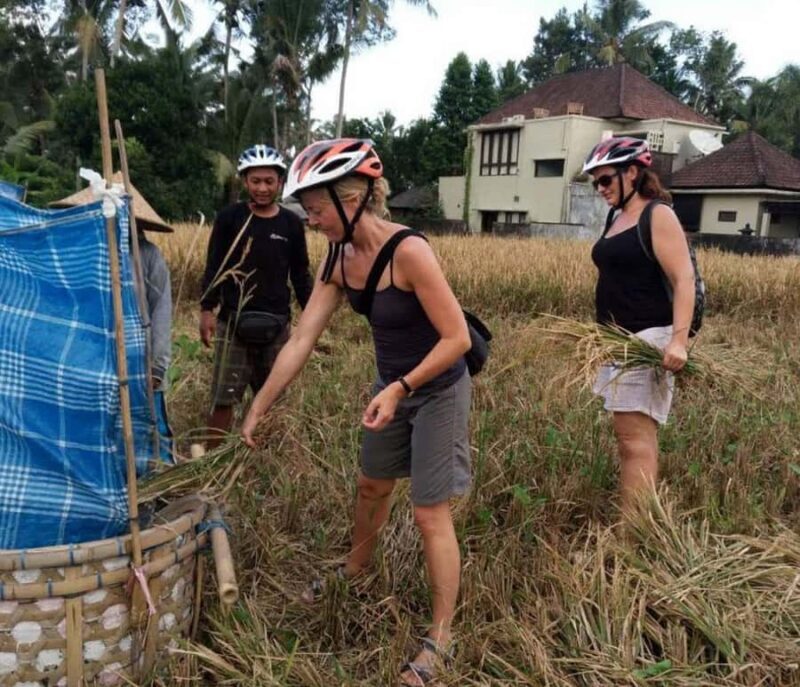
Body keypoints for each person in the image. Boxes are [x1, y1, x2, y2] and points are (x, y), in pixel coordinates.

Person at [241, 139, 472, 686]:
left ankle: (441, 636)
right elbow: (301, 339)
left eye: (317, 210)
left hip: (436, 387)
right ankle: (356, 568)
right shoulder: (339, 257)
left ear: (352, 198)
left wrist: (400, 387)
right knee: (371, 485)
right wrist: (259, 406)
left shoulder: (409, 252)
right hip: (389, 387)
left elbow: (457, 337)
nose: (312, 221)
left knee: (428, 512)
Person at [584, 136, 695, 509]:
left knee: (635, 442)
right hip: (618, 341)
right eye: (595, 182)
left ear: (632, 172)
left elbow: (684, 279)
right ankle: (638, 525)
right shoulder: (618, 216)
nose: (600, 189)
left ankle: (634, 534)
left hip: (647, 339)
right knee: (627, 438)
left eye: (605, 180)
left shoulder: (657, 215)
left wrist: (678, 340)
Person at [200, 144, 313, 446]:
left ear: (280, 182)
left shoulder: (290, 223)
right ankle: (210, 462)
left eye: (269, 181)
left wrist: (311, 316)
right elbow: (215, 265)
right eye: (255, 181)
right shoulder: (230, 218)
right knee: (224, 397)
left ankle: (265, 460)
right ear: (244, 181)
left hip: (277, 325)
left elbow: (300, 274)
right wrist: (207, 310)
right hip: (233, 323)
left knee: (273, 397)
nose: (262, 188)